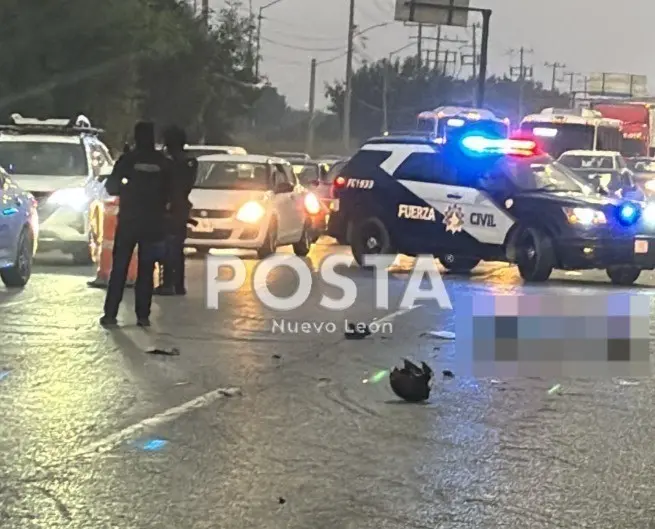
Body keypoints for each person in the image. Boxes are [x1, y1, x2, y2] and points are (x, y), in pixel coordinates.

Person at [100, 121, 173, 327]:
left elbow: (111, 187)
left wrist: (128, 188)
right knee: (146, 269)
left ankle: (110, 314)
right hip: (154, 223)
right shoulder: (163, 162)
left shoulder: (127, 160)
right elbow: (172, 192)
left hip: (129, 221)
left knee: (120, 267)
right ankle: (143, 316)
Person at [155, 126, 197, 296]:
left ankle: (168, 284)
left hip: (169, 208)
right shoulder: (190, 162)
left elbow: (166, 184)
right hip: (181, 208)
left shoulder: (170, 163)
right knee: (177, 247)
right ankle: (178, 284)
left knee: (168, 247)